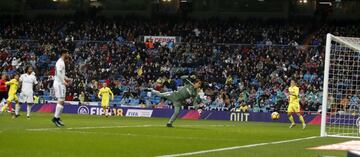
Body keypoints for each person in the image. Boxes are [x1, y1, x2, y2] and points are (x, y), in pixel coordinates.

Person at [52, 49, 71, 127]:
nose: (68, 54)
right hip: (59, 83)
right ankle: (55, 118)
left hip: (60, 83)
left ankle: (58, 118)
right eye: (67, 53)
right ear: (63, 54)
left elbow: (60, 73)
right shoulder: (60, 62)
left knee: (62, 101)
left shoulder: (61, 62)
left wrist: (67, 78)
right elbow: (59, 74)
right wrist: (63, 81)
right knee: (60, 100)